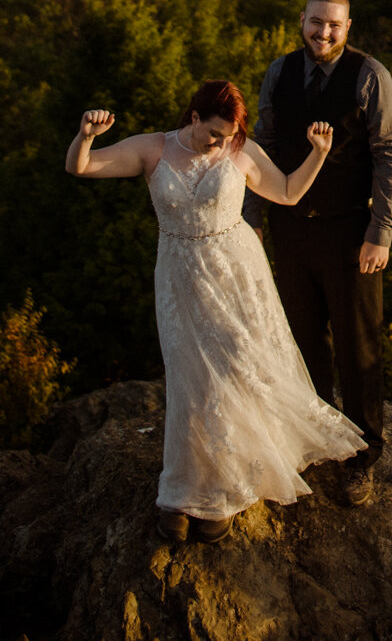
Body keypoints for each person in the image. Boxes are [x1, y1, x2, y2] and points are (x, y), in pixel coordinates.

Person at [65, 77, 365, 543]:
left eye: (229, 137)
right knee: (191, 378)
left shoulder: (240, 150)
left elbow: (286, 192)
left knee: (233, 371)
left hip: (235, 273)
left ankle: (225, 488)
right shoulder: (153, 149)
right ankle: (184, 490)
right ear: (193, 118)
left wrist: (319, 153)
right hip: (180, 275)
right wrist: (86, 137)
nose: (221, 144)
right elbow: (81, 168)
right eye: (214, 134)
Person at [242, 0, 392, 506]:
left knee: (358, 348)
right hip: (292, 231)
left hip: (350, 231)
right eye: (316, 22)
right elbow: (263, 145)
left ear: (348, 26)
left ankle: (362, 458)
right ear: (302, 21)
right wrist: (253, 217)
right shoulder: (279, 72)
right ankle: (313, 444)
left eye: (334, 25)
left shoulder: (370, 76)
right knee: (303, 343)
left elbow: (389, 155)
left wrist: (382, 230)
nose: (324, 33)